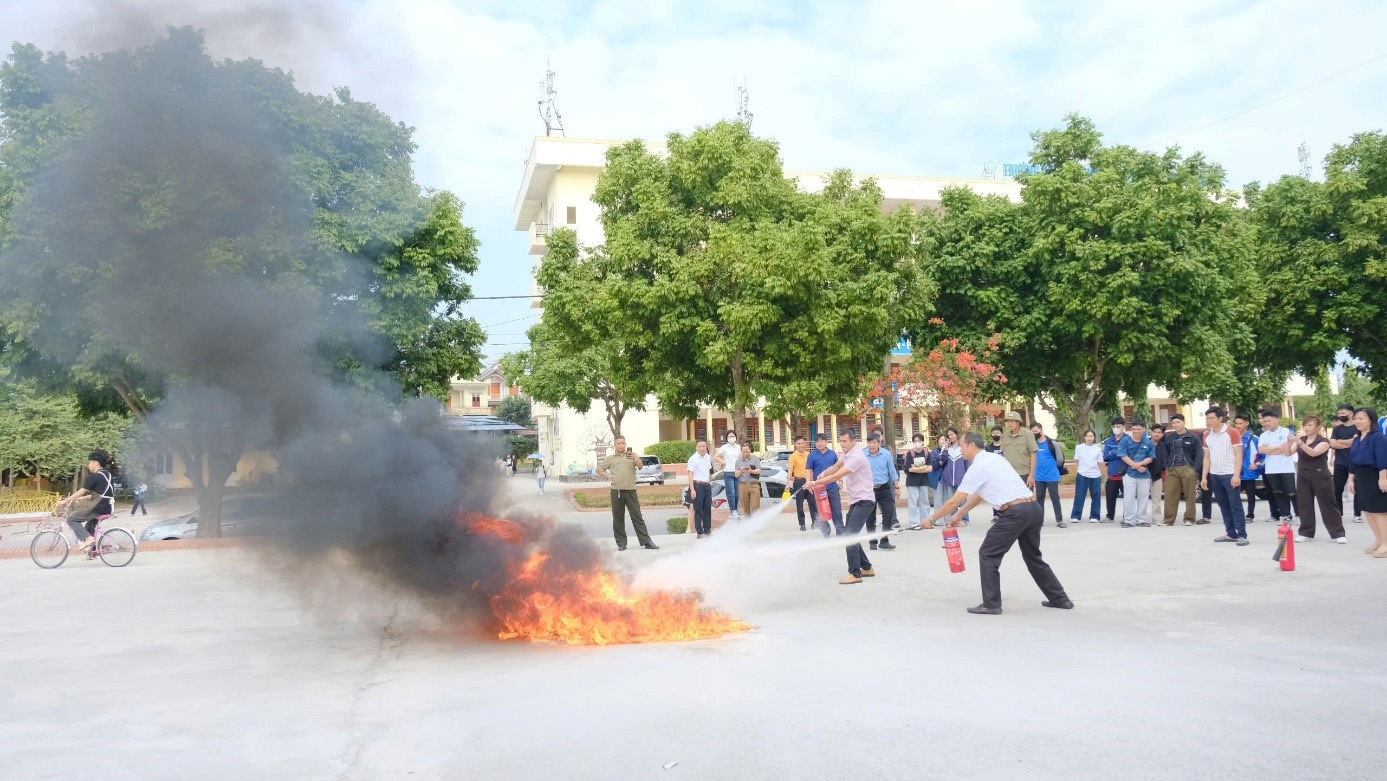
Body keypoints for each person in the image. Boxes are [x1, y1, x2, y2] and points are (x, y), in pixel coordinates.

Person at [924, 432, 1072, 615]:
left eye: (962, 446)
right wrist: (960, 514)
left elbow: (954, 501)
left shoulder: (978, 467)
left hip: (1014, 513)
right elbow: (978, 495)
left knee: (988, 553)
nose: (960, 450)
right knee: (1033, 557)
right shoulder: (995, 459)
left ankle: (991, 604)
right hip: (1032, 509)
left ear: (972, 446)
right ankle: (1060, 599)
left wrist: (931, 519)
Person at [805, 427, 876, 584]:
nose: (842, 444)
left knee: (849, 535)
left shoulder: (856, 457)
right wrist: (823, 473)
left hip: (865, 501)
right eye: (840, 441)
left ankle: (854, 574)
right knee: (848, 534)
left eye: (845, 441)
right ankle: (866, 567)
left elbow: (837, 475)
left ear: (853, 441)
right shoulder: (847, 454)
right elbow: (835, 467)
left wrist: (815, 482)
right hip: (856, 500)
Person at [596, 436, 658, 551]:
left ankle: (646, 541)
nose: (621, 445)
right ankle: (621, 543)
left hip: (631, 490)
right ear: (615, 445)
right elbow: (599, 469)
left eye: (623, 443)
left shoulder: (632, 455)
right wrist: (609, 476)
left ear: (625, 444)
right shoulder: (610, 458)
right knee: (618, 518)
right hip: (617, 491)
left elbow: (640, 466)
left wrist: (635, 459)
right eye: (618, 443)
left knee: (637, 516)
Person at [1291, 415, 1344, 543]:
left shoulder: (1324, 441)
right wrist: (1289, 442)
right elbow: (1288, 453)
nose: (1306, 428)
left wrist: (1300, 443)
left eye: (1310, 425)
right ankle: (1306, 532)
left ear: (1318, 427)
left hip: (1320, 474)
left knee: (1327, 504)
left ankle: (1338, 533)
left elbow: (1313, 453)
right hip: (1303, 474)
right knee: (1304, 504)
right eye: (1305, 425)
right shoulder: (1301, 439)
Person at [1202, 407, 1248, 545]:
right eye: (1207, 418)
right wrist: (1204, 477)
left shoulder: (1232, 432)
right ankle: (1231, 533)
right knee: (1223, 505)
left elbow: (1238, 455)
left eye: (1211, 418)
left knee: (1235, 505)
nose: (1208, 421)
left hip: (1229, 474)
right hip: (1215, 474)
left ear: (1220, 418)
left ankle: (1242, 534)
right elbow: (1206, 457)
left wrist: (1236, 475)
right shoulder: (1206, 435)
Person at [55, 450, 115, 554]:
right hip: (107, 506)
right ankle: (92, 551)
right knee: (89, 526)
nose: (88, 465)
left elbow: (82, 491)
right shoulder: (108, 475)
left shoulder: (95, 476)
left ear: (96, 463)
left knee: (71, 519)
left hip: (98, 506)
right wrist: (84, 498)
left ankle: (88, 539)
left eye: (90, 462)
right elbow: (104, 493)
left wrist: (65, 501)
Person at [1348, 407, 1387, 557]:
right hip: (1361, 477)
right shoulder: (1357, 439)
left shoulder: (1377, 437)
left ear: (1371, 419)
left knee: (1379, 511)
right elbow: (1352, 461)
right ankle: (1378, 540)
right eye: (1355, 418)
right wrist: (1351, 479)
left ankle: (1386, 544)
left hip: (1374, 476)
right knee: (1368, 511)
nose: (1357, 421)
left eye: (1361, 418)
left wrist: (1383, 478)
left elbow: (1382, 459)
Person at [1157, 414, 1203, 526]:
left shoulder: (1193, 437)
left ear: (1183, 422)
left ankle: (1189, 519)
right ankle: (1168, 520)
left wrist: (1195, 468)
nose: (1176, 424)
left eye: (1178, 422)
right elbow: (1165, 452)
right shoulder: (1168, 437)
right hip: (1172, 468)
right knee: (1170, 495)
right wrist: (1166, 465)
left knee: (1190, 495)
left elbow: (1199, 453)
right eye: (1173, 423)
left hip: (1187, 467)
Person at [1257, 409, 1297, 524]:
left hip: (1286, 468)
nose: (1266, 423)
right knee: (1278, 493)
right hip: (1271, 469)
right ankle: (1285, 516)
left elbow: (1287, 448)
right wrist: (1278, 448)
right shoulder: (1264, 435)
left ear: (1276, 419)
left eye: (1268, 420)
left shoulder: (1286, 432)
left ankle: (1299, 515)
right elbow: (1261, 450)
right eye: (1265, 421)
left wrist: (1270, 449)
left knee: (1291, 492)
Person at [864, 430, 899, 550]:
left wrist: (897, 487)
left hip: (884, 488)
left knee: (889, 512)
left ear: (879, 443)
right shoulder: (863, 455)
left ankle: (884, 540)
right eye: (869, 443)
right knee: (870, 516)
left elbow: (892, 471)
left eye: (874, 443)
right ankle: (872, 541)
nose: (871, 445)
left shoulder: (886, 454)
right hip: (869, 490)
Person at [1329, 404, 1362, 525]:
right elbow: (1332, 444)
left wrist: (1340, 441)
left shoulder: (1358, 428)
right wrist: (1350, 442)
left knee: (1357, 489)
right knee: (1336, 489)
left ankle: (1357, 514)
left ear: (1351, 413)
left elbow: (1357, 442)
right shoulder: (1337, 429)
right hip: (1340, 463)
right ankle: (1338, 514)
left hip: (1355, 462)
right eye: (1339, 413)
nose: (1340, 415)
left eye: (1343, 413)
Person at [1118, 420, 1156, 527]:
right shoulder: (1125, 441)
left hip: (1144, 475)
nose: (1136, 431)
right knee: (1129, 498)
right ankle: (1129, 520)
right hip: (1129, 474)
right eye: (1134, 429)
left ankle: (1141, 520)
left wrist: (1140, 464)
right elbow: (1123, 456)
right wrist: (1136, 466)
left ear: (1143, 429)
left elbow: (1151, 457)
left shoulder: (1148, 442)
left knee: (1143, 498)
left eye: (1138, 429)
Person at [806, 433, 843, 537]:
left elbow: (838, 468)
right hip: (819, 488)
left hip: (832, 486)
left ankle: (840, 531)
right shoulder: (812, 455)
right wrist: (808, 483)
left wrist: (840, 480)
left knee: (836, 509)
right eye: (817, 442)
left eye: (822, 441)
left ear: (826, 442)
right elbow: (808, 470)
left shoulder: (832, 454)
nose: (819, 443)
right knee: (821, 510)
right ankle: (826, 532)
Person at [1029, 422, 1065, 527]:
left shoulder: (1052, 443)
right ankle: (1040, 521)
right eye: (1032, 432)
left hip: (1052, 475)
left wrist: (1052, 467)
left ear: (1041, 430)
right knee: (1039, 499)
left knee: (1055, 498)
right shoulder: (1032, 444)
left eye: (1036, 431)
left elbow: (1060, 459)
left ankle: (1059, 520)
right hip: (1038, 476)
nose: (1034, 433)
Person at [1232, 413, 1265, 522]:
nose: (1238, 426)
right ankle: (1237, 515)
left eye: (1240, 423)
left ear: (1246, 423)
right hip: (1235, 472)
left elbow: (1262, 455)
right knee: (1234, 496)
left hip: (1249, 473)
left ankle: (1250, 515)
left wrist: (1257, 464)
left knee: (1251, 495)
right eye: (1236, 423)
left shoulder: (1254, 439)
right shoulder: (1231, 437)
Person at [935, 428, 971, 525]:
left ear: (956, 435)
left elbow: (967, 463)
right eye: (949, 435)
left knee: (962, 500)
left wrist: (968, 476)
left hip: (961, 479)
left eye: (952, 434)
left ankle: (965, 519)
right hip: (949, 479)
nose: (950, 437)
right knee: (952, 501)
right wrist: (946, 449)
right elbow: (941, 462)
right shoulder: (946, 448)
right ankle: (954, 520)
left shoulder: (962, 447)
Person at [1070, 429, 1103, 523]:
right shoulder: (1079, 448)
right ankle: (1076, 516)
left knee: (1096, 496)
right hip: (1082, 474)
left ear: (1094, 437)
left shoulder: (1098, 449)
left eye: (1091, 436)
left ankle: (1095, 516)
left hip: (1095, 475)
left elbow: (1099, 462)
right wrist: (1079, 470)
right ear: (1084, 437)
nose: (1089, 438)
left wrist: (1102, 473)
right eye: (1087, 436)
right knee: (1079, 495)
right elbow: (1077, 461)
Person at [902, 433, 933, 531]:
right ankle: (914, 523)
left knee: (925, 502)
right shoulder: (910, 453)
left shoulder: (927, 453)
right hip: (912, 481)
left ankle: (925, 521)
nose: (917, 443)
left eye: (919, 441)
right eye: (915, 441)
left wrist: (917, 468)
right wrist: (923, 467)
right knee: (913, 502)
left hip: (924, 481)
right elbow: (910, 469)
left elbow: (930, 468)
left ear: (923, 442)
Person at [998, 411, 1037, 488]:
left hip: (1024, 474)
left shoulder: (1028, 434)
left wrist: (1031, 476)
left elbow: (1033, 455)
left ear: (1018, 422)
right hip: (1009, 474)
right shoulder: (1004, 435)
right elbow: (1003, 454)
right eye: (1008, 421)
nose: (1010, 423)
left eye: (1012, 421)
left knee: (1025, 496)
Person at [786, 436, 817, 531]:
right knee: (799, 504)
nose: (801, 445)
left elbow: (813, 468)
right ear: (795, 445)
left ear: (805, 444)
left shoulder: (809, 455)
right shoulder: (793, 456)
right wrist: (787, 483)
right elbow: (790, 470)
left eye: (802, 443)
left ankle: (815, 522)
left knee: (813, 502)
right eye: (798, 443)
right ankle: (802, 524)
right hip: (799, 481)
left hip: (809, 481)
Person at [686, 439, 714, 538]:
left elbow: (709, 471)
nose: (702, 448)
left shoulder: (708, 457)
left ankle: (707, 529)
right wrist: (692, 489)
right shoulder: (693, 459)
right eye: (700, 446)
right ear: (696, 447)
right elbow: (690, 474)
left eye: (704, 446)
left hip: (707, 485)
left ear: (706, 447)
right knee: (698, 509)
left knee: (707, 508)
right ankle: (699, 531)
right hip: (697, 485)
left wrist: (709, 482)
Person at [1101, 417, 1127, 522]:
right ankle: (1109, 516)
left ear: (1123, 426)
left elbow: (1128, 454)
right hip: (1112, 473)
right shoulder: (1108, 441)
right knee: (1110, 496)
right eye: (1114, 426)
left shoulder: (1128, 440)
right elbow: (1105, 456)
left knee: (1128, 497)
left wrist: (1113, 452)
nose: (1116, 428)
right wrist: (1119, 451)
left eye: (1118, 426)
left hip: (1125, 473)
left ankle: (1127, 517)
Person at [714, 432, 744, 520]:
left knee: (737, 493)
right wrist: (723, 462)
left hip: (737, 472)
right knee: (731, 493)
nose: (732, 438)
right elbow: (716, 456)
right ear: (727, 438)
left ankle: (735, 510)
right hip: (728, 472)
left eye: (733, 436)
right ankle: (732, 510)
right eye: (730, 436)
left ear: (736, 437)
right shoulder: (724, 447)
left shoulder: (738, 447)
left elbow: (741, 457)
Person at [734, 443, 762, 518]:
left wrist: (751, 471)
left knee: (755, 506)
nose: (745, 454)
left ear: (750, 450)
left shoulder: (755, 459)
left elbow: (759, 470)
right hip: (743, 485)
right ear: (741, 451)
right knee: (745, 508)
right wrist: (740, 471)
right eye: (743, 452)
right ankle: (747, 523)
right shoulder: (738, 461)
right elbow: (736, 474)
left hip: (754, 484)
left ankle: (756, 523)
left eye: (747, 452)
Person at [1148, 424, 1167, 510]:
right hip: (1143, 476)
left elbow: (1165, 461)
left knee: (1157, 501)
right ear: (1151, 432)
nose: (1156, 434)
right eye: (1154, 432)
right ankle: (1140, 517)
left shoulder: (1164, 446)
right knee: (1142, 500)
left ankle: (1156, 518)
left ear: (1162, 434)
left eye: (1159, 432)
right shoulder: (1145, 443)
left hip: (1157, 477)